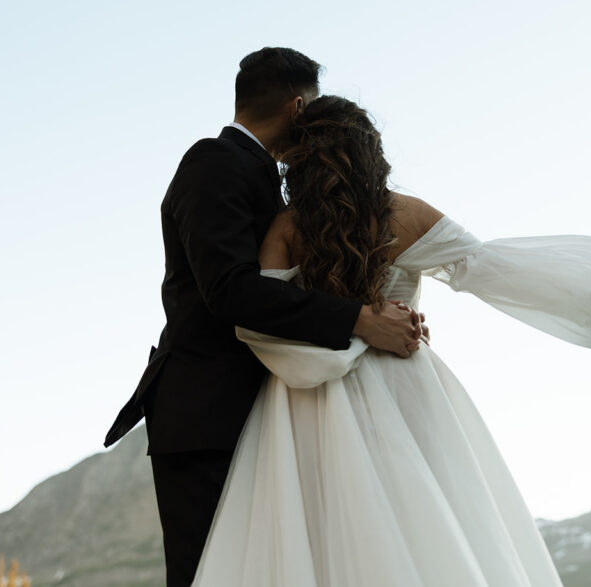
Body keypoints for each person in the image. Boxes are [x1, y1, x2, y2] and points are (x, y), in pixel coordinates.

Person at [191, 95, 591, 587]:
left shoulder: (284, 227)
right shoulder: (405, 214)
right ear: (371, 150)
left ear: (299, 159)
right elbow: (499, 272)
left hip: (305, 406)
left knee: (321, 542)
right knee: (427, 529)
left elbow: (260, 319)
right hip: (405, 387)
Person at [103, 49, 423, 587]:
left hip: (258, 410)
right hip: (207, 413)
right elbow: (230, 290)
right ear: (298, 109)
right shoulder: (213, 162)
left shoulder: (266, 180)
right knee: (209, 574)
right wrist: (358, 320)